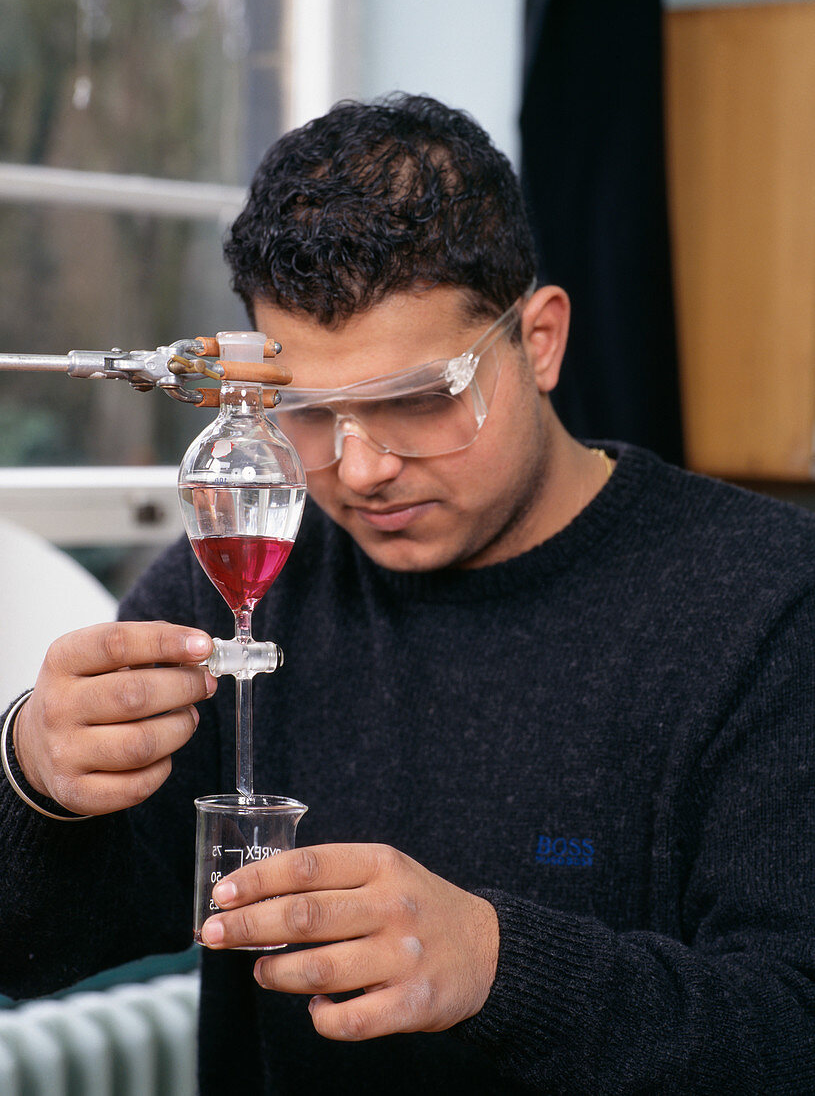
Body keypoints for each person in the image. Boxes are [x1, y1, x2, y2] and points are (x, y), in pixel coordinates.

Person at [1, 93, 813, 1095]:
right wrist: (33, 775)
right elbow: (26, 951)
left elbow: (788, 1027)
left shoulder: (770, 605)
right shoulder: (245, 580)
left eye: (415, 399)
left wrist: (498, 964)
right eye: (302, 411)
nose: (359, 467)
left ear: (541, 340)